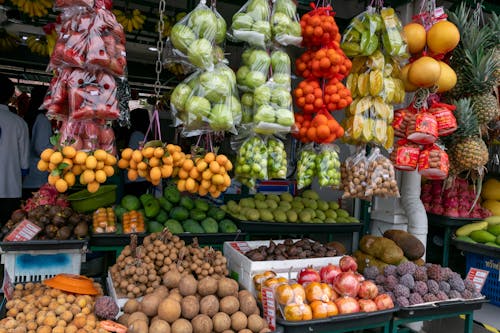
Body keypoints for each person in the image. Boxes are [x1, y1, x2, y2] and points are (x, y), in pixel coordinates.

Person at [0, 75, 29, 224]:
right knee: (7, 229)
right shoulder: (19, 123)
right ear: (11, 96)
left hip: (10, 188)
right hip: (10, 189)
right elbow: (25, 163)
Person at [23, 86, 52, 198]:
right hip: (37, 177)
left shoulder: (30, 116)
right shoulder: (41, 119)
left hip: (28, 176)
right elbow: (42, 148)